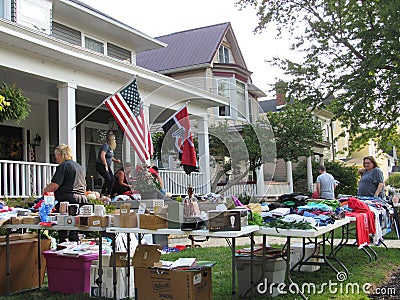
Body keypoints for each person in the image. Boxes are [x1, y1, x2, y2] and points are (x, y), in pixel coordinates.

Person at [43, 144, 87, 242]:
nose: (56, 158)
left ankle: (63, 250)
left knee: (64, 228)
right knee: (74, 228)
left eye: (56, 156)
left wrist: (45, 190)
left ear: (61, 155)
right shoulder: (79, 167)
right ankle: (75, 248)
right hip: (81, 199)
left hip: (67, 200)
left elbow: (55, 185)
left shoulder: (63, 166)